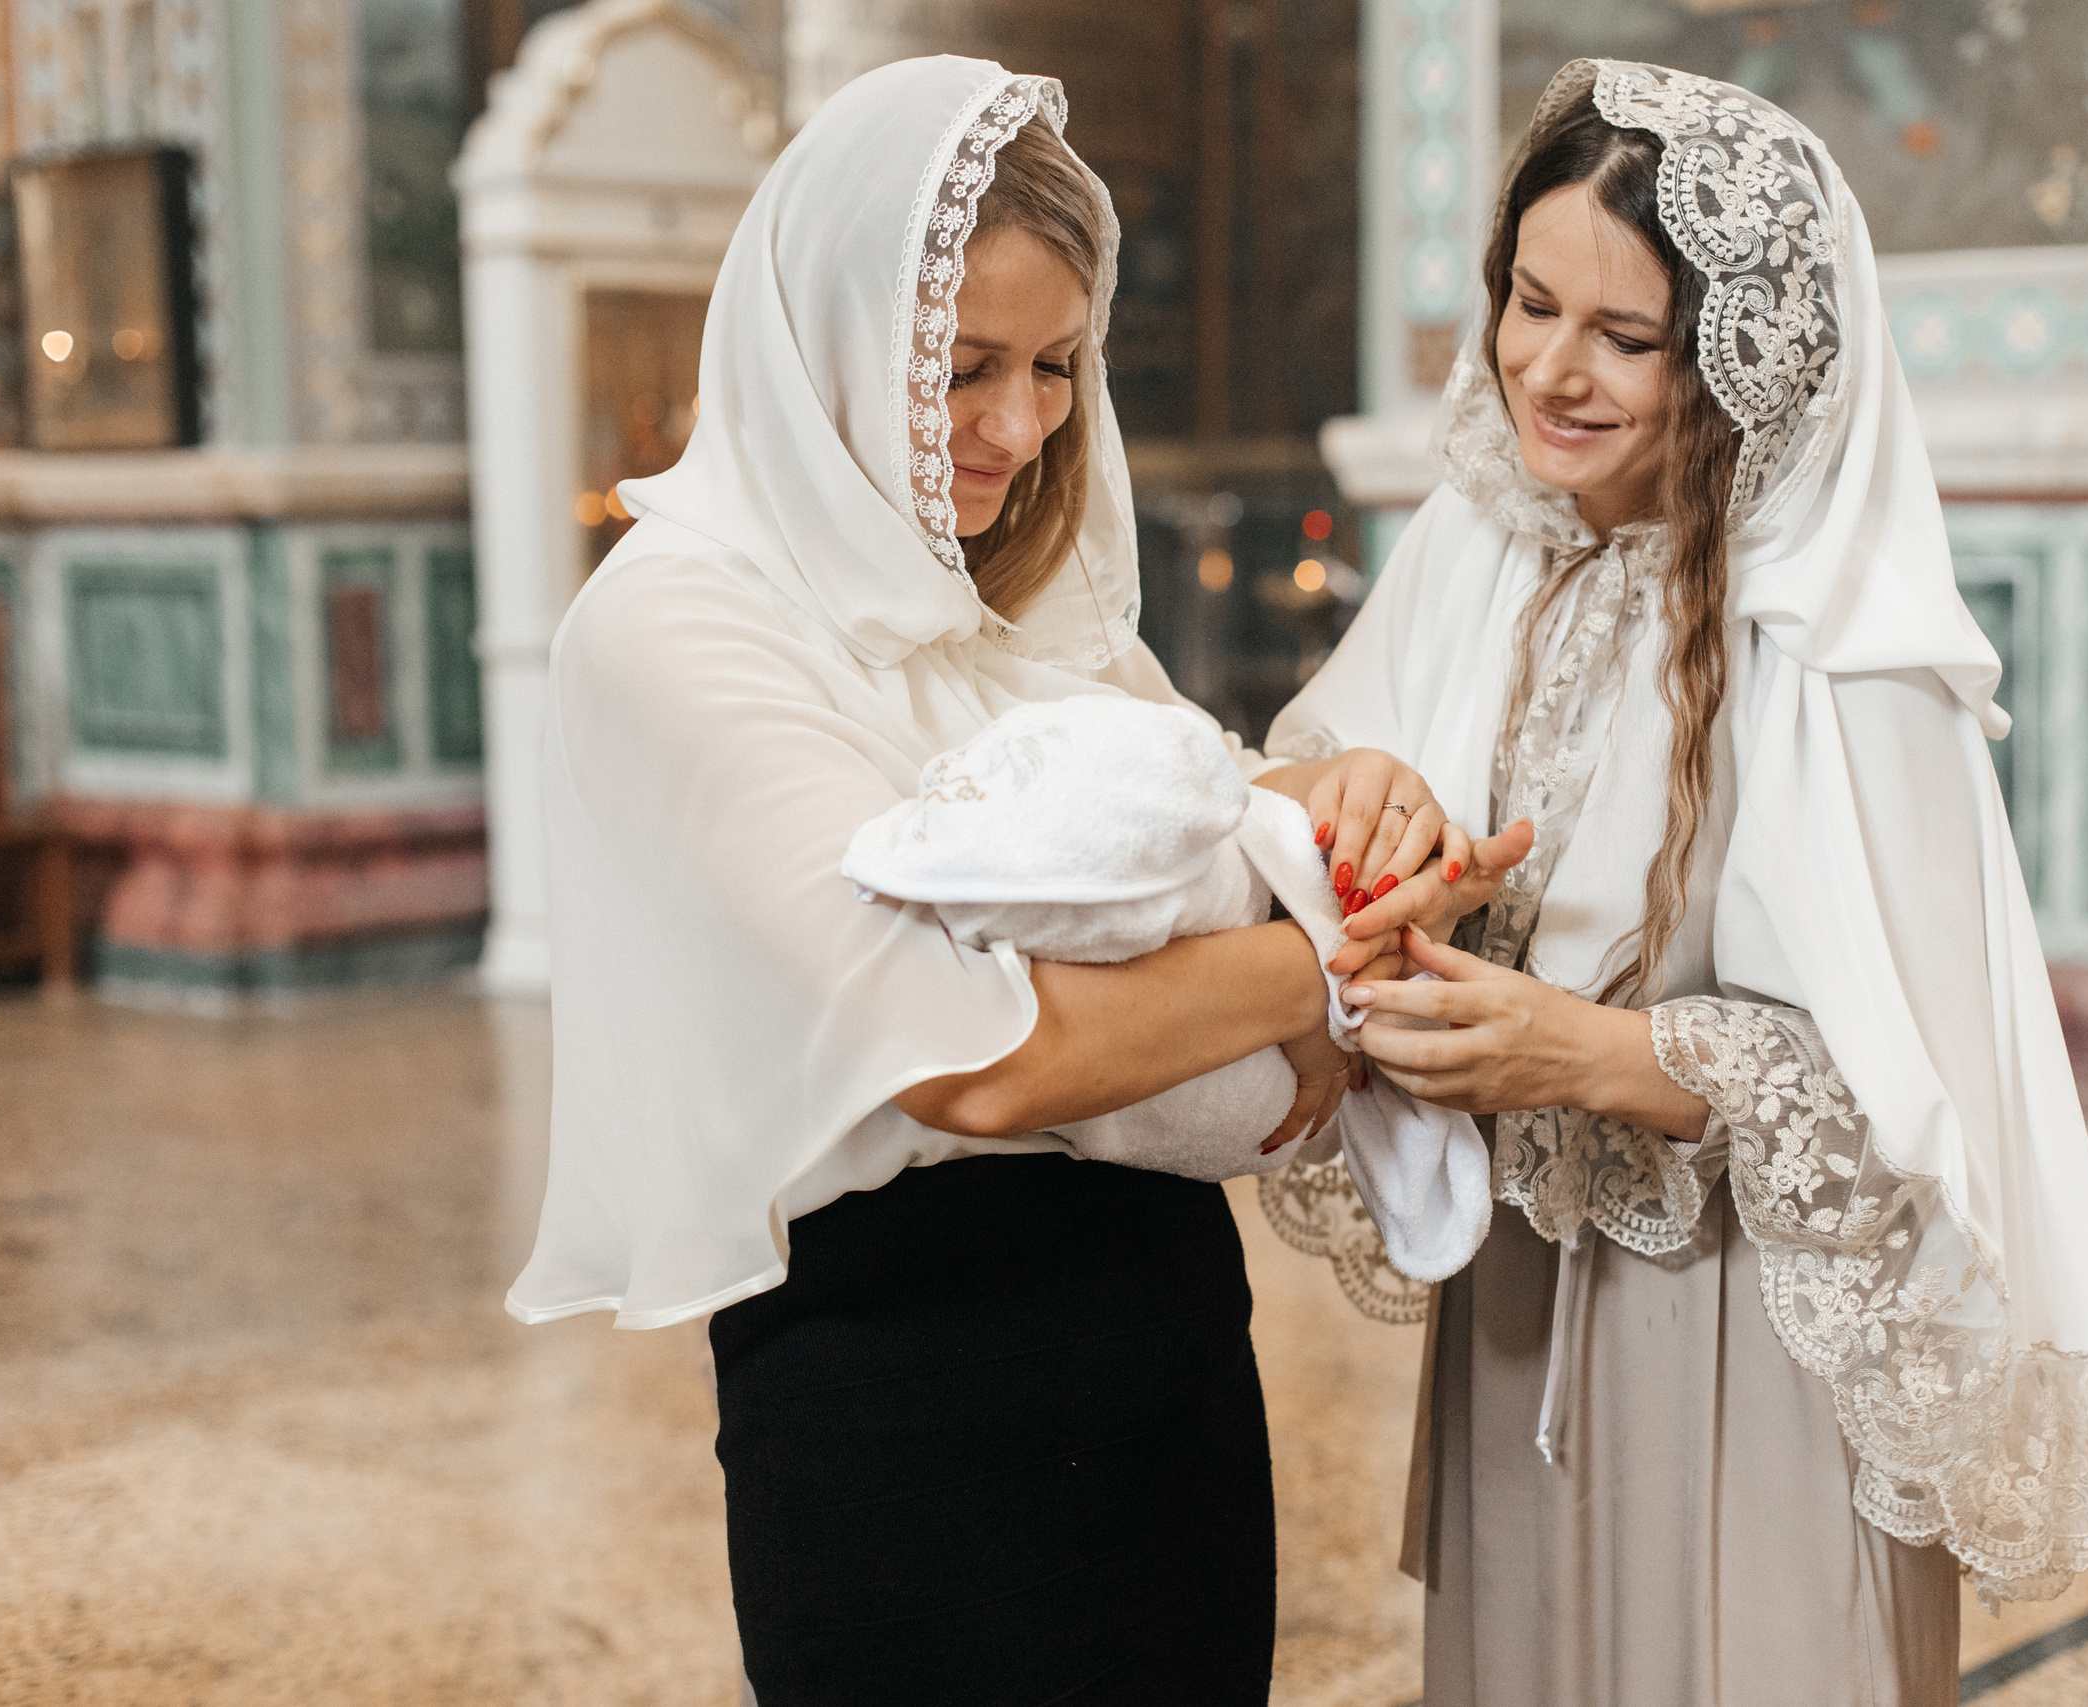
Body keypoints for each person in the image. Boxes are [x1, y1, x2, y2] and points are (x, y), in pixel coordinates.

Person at [502, 56, 1459, 1706]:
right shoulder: (675, 624)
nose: (1017, 429)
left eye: (1057, 367)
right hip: (900, 1385)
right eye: (959, 370)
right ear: (832, 351)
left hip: (1163, 1333)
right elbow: (974, 1056)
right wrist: (1323, 970)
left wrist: (1337, 806)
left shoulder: (1024, 594)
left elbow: (1185, 814)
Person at [1259, 59, 2088, 1705]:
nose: (1549, 372)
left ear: (1742, 362)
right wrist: (1358, 794)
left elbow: (1924, 1117)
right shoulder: (1482, 546)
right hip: (1527, 1309)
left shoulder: (1847, 653)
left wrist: (1590, 1055)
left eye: (1624, 339)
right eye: (1529, 304)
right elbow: (1309, 772)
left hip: (1754, 1337)